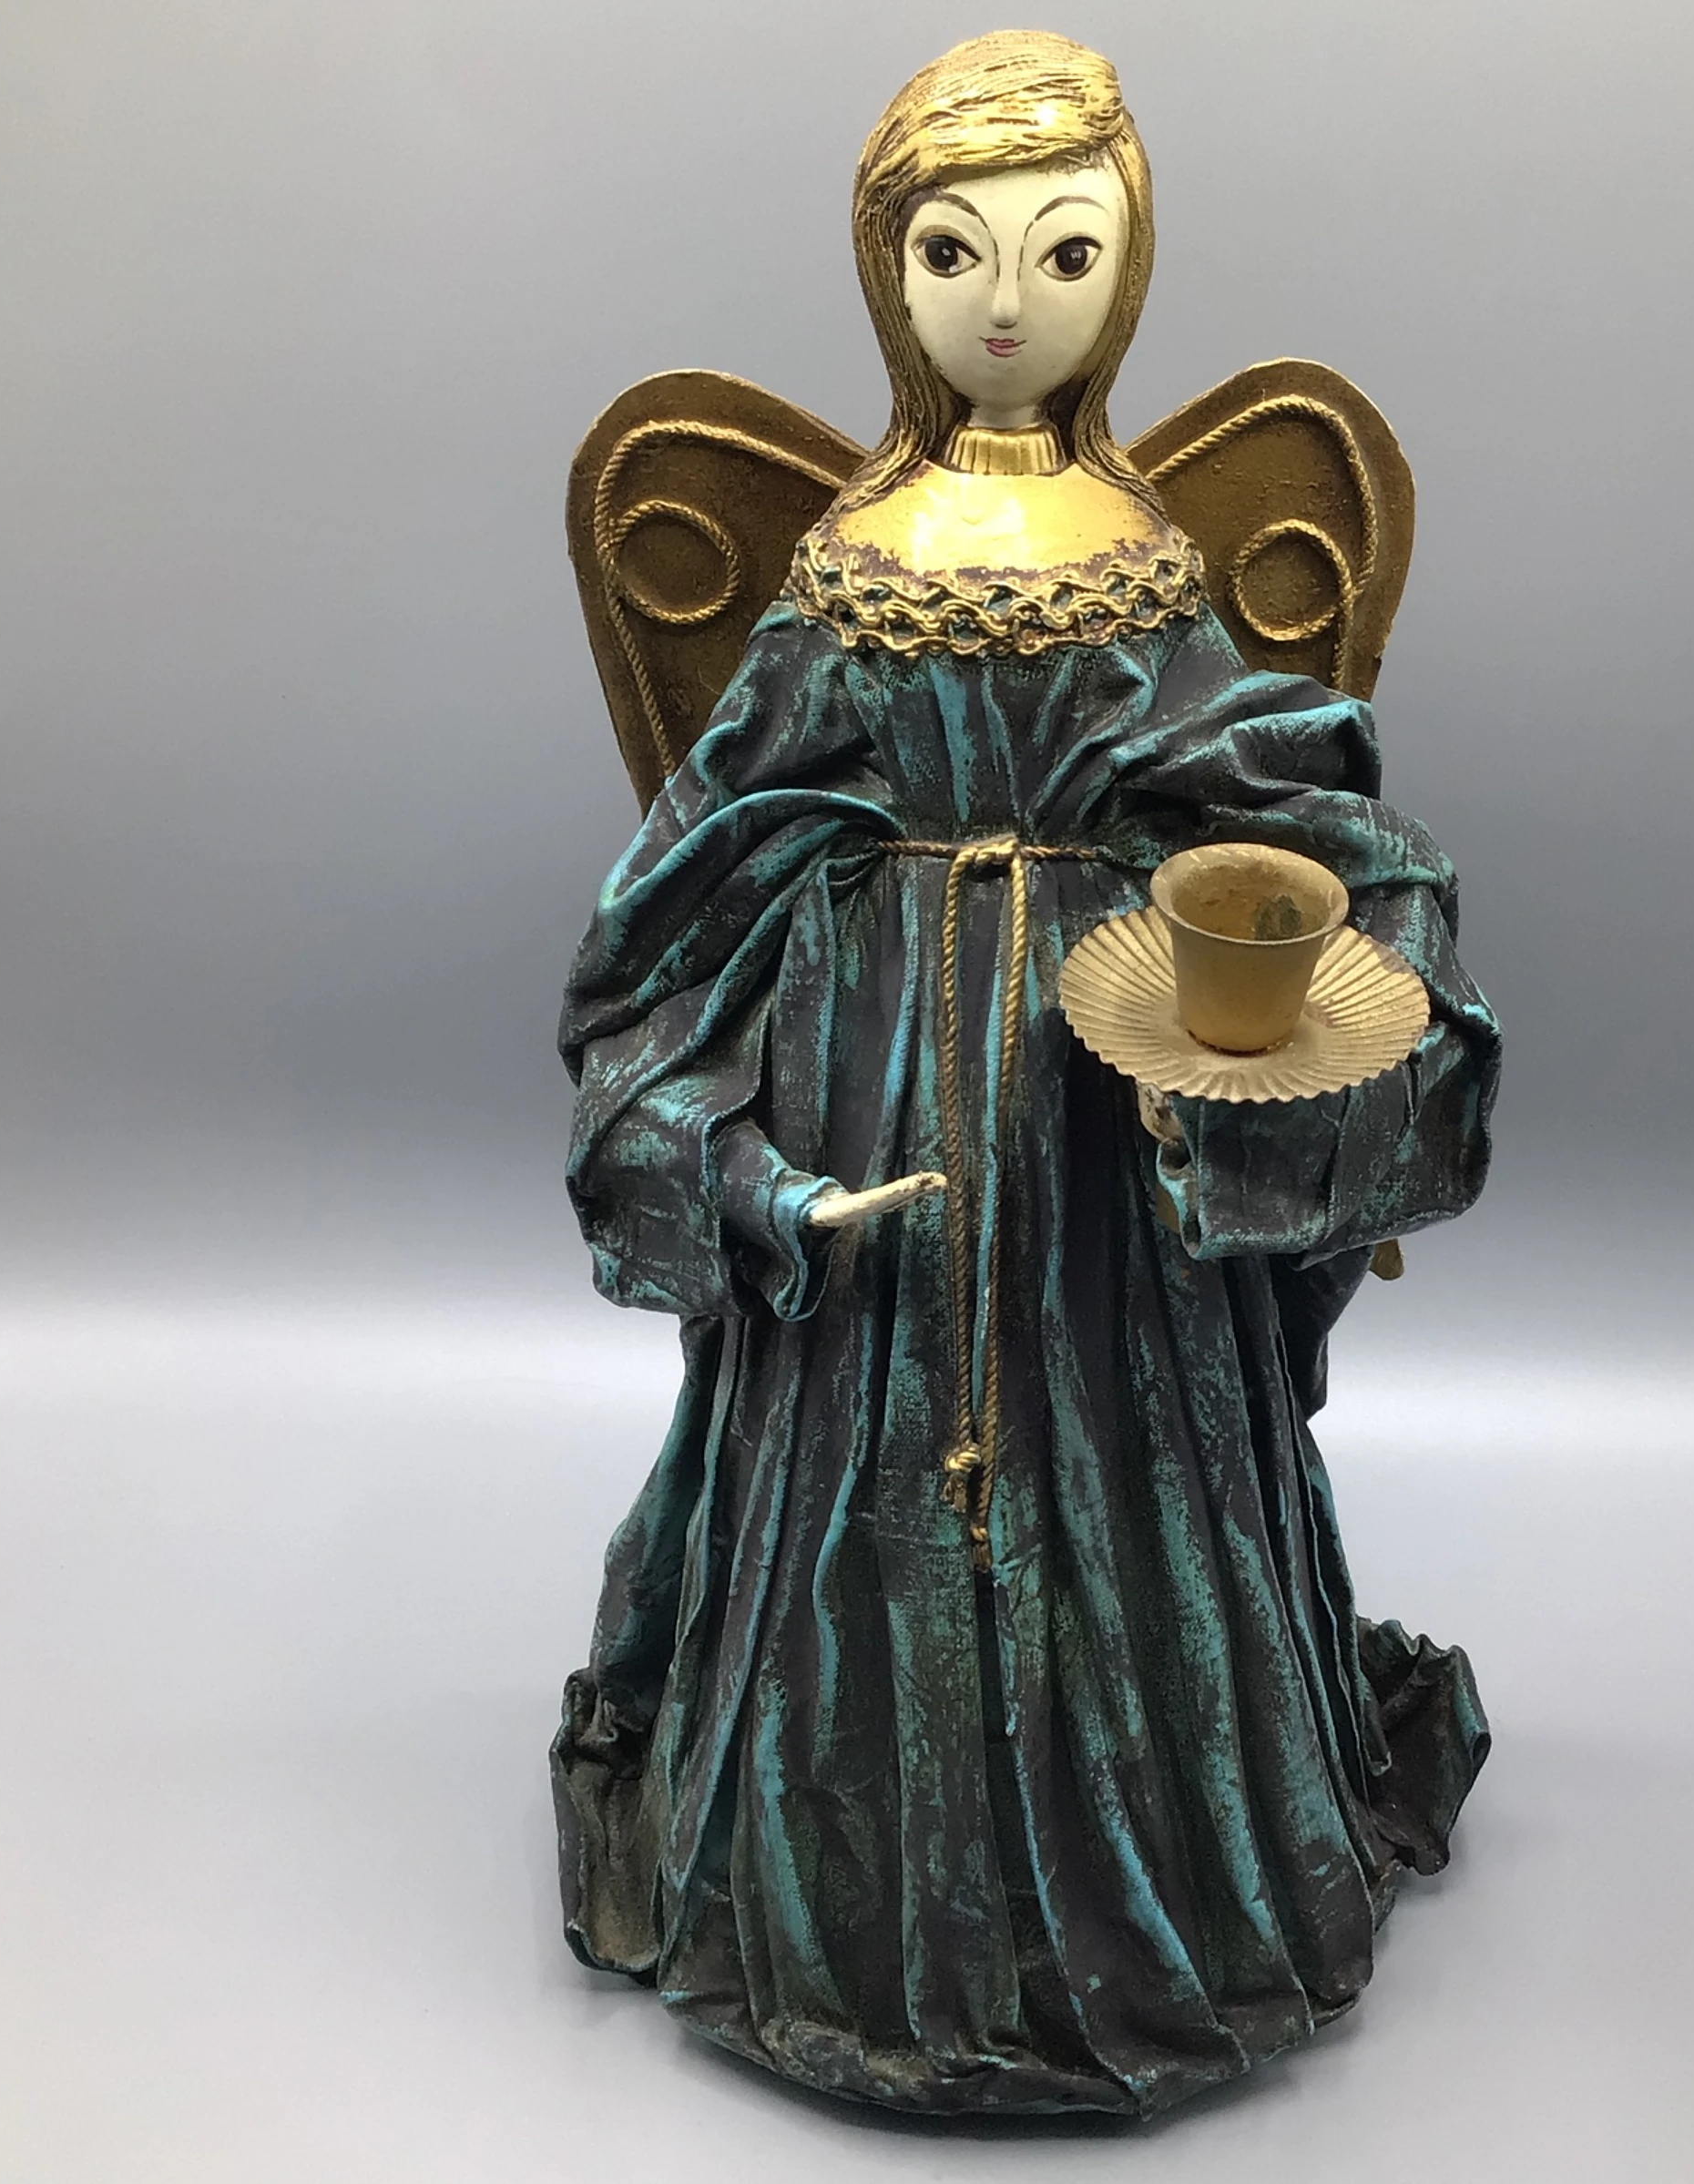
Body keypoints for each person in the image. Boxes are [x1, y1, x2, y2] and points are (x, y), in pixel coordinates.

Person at [552, 31, 1501, 2118]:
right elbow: (699, 863)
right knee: (866, 1454)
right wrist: (732, 1156)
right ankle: (849, 1910)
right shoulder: (844, 568)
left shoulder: (1142, 563)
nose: (1004, 299)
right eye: (951, 251)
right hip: (873, 1071)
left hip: (1094, 1083)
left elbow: (1290, 812)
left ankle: (1144, 1897)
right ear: (883, 270)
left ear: (1124, 271)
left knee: (1120, 1454)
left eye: (1061, 252)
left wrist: (1304, 1011)